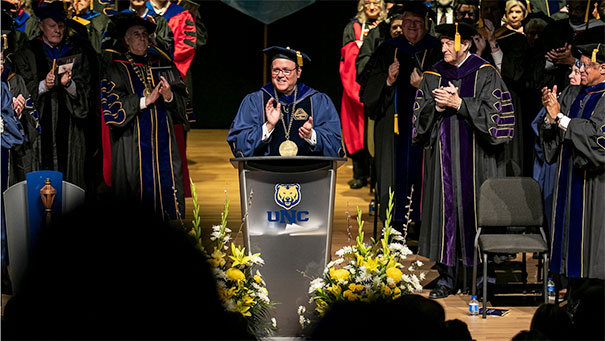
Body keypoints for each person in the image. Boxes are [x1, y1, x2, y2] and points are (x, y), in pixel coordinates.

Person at [412, 23, 515, 298]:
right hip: (442, 161)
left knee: (478, 212)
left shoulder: (486, 73)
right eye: (442, 43)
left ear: (465, 44)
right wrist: (435, 106)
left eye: (449, 43)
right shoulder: (433, 74)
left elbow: (500, 119)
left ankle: (483, 279)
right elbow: (418, 120)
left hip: (479, 161)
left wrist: (460, 105)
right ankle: (447, 277)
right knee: (445, 214)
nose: (443, 48)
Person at [360, 2, 441, 230]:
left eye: (417, 22)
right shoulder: (387, 49)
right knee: (392, 175)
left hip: (427, 128)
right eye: (408, 22)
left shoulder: (436, 49)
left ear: (426, 24)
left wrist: (424, 85)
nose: (412, 27)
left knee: (424, 175)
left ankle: (424, 228)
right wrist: (387, 80)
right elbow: (367, 91)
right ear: (401, 24)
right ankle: (394, 227)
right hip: (392, 127)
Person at [100, 13, 188, 220]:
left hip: (163, 141)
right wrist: (144, 101)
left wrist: (168, 97)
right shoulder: (116, 68)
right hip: (132, 142)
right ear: (126, 39)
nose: (142, 38)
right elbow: (112, 109)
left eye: (145, 34)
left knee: (167, 194)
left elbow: (183, 104)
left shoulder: (163, 65)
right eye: (136, 34)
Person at [539, 43, 604, 282]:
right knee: (569, 240)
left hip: (595, 185)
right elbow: (553, 128)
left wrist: (559, 118)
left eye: (587, 65)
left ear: (604, 68)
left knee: (592, 246)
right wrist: (549, 115)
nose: (581, 70)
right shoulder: (573, 92)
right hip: (567, 178)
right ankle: (571, 292)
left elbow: (599, 139)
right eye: (581, 65)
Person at [12, 1, 91, 190]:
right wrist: (43, 86)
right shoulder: (28, 52)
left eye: (61, 26)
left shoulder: (76, 53)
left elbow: (85, 94)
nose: (57, 30)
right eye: (52, 26)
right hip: (39, 134)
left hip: (70, 132)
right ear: (41, 26)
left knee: (68, 182)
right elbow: (20, 90)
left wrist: (68, 84)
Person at [227, 46, 343, 157]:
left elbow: (334, 144)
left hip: (309, 171)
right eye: (276, 70)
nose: (280, 75)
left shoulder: (318, 101)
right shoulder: (255, 101)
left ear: (298, 72)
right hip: (264, 172)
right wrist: (267, 127)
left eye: (286, 71)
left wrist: (311, 135)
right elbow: (239, 144)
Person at [340, 0, 387, 189]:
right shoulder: (353, 27)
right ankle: (360, 175)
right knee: (356, 132)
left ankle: (377, 179)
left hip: (378, 88)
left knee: (375, 135)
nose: (372, 7)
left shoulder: (387, 27)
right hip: (354, 88)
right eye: (368, 3)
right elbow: (347, 59)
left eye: (376, 3)